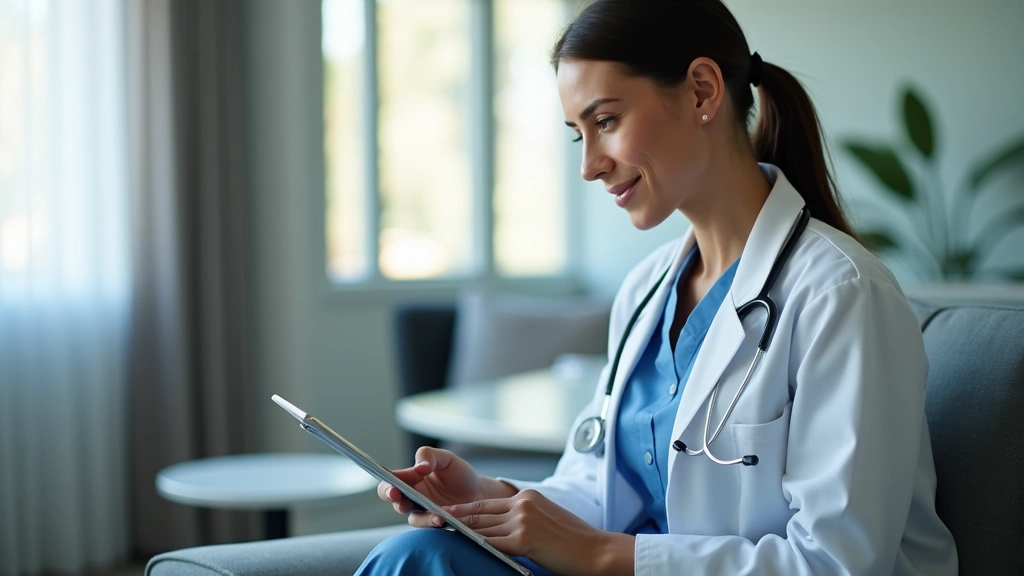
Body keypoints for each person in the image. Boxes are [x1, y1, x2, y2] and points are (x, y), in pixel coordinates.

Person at [356, 0, 958, 574]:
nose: (590, 164)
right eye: (578, 134)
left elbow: (836, 563)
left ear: (702, 91)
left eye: (607, 121)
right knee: (417, 557)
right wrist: (488, 496)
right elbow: (600, 487)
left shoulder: (842, 296)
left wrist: (597, 556)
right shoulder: (647, 290)